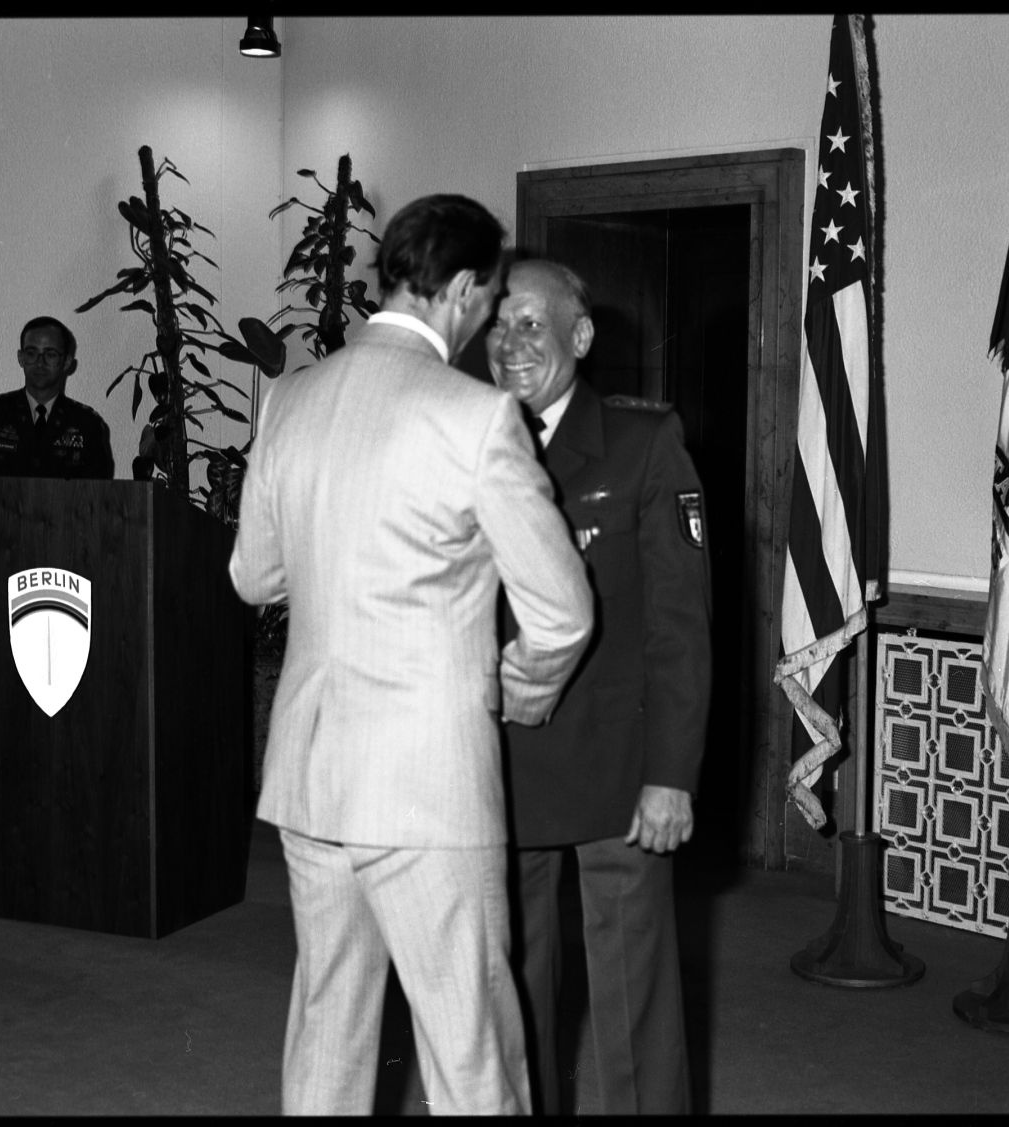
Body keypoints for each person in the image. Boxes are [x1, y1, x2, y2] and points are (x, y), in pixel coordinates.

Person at [229, 196, 594, 1116]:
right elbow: (560, 612)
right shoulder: (475, 418)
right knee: (471, 1049)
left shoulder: (295, 398)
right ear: (465, 287)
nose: (487, 318)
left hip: (313, 776)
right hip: (427, 783)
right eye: (490, 296)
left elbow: (252, 576)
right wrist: (515, 694)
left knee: (328, 1024)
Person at [487, 258, 712, 1115]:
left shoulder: (642, 442)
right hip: (503, 764)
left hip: (619, 771)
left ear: (580, 338)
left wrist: (672, 775)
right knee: (512, 992)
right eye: (500, 326)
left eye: (533, 326)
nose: (512, 345)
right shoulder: (467, 438)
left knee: (631, 1005)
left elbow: (679, 632)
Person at [0, 316, 114, 479]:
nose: (40, 362)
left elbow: (99, 497)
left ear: (66, 362)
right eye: (31, 353)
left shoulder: (87, 424)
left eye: (50, 354)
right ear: (21, 358)